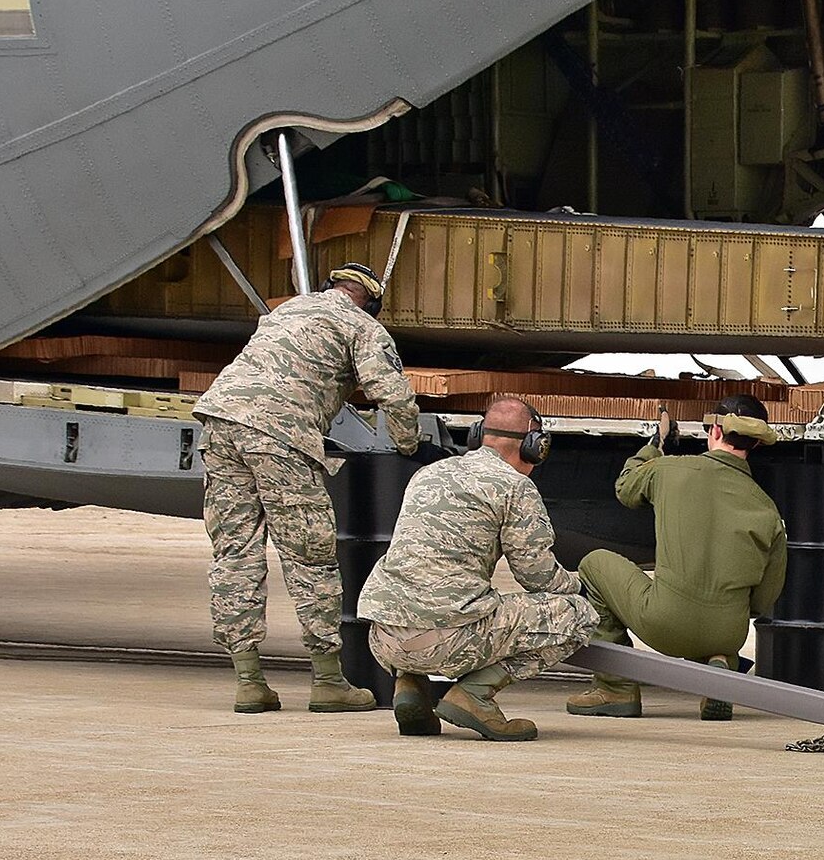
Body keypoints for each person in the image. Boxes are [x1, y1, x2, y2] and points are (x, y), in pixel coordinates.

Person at [192, 261, 421, 715]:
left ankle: (249, 682)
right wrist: (408, 443)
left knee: (234, 554)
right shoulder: (362, 326)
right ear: (372, 304)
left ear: (330, 287)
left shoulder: (287, 310)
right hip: (280, 434)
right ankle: (329, 681)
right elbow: (391, 394)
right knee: (310, 556)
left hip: (219, 423)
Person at [357, 397, 598, 742]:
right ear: (534, 446)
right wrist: (578, 586)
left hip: (383, 639)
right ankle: (474, 696)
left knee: (426, 602)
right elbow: (536, 576)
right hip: (447, 640)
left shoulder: (429, 473)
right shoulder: (515, 487)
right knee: (577, 615)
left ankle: (410, 687)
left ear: (477, 435)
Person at [569, 394, 787, 722]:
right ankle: (719, 664)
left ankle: (616, 688)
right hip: (728, 632)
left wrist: (654, 446)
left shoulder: (670, 469)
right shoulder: (767, 507)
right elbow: (766, 597)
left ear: (714, 430)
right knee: (718, 619)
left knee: (594, 563)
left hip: (666, 626)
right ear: (755, 444)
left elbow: (626, 488)